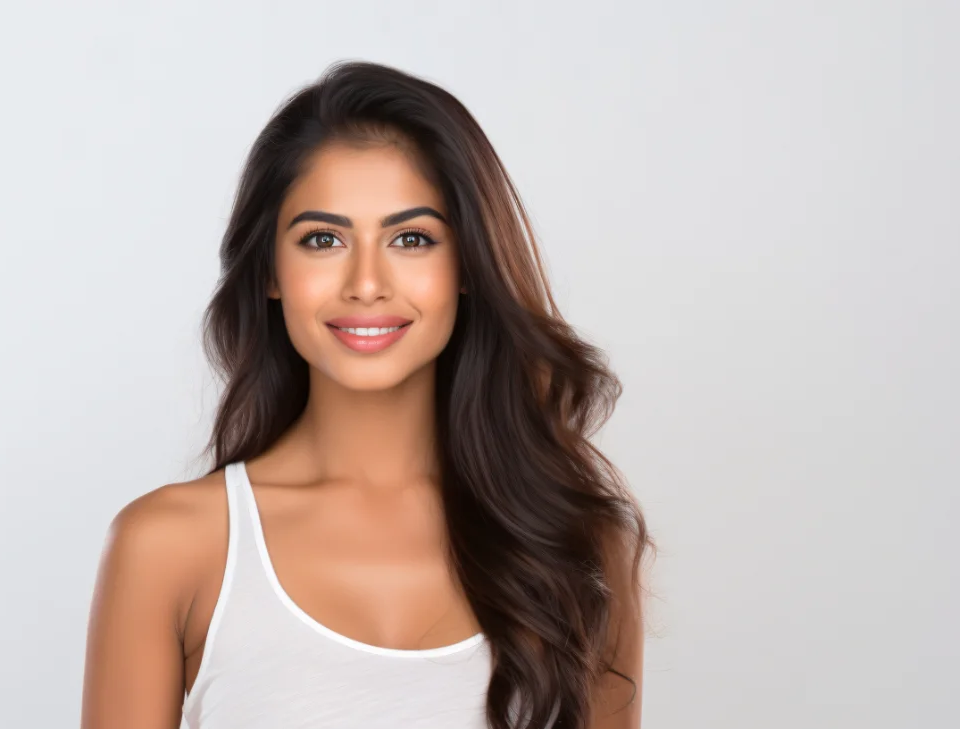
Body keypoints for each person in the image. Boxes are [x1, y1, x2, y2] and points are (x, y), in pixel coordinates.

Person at [80, 60, 655, 729]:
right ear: (271, 270)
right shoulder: (169, 546)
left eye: (411, 238)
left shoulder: (579, 544)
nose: (366, 283)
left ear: (467, 264)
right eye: (323, 239)